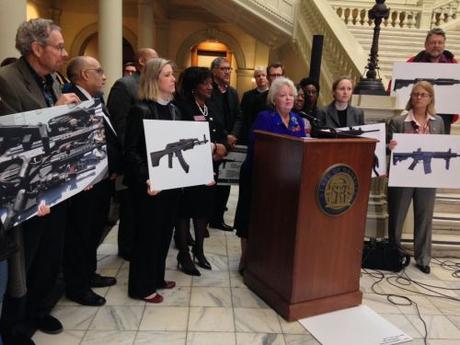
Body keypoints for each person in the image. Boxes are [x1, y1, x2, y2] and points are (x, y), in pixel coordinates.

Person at [0, 18, 79, 345]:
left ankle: (39, 310)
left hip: (55, 187)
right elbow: (10, 140)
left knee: (50, 254)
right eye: (58, 47)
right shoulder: (7, 81)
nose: (64, 53)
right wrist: (57, 114)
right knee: (24, 260)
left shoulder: (55, 82)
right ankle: (15, 327)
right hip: (25, 191)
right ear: (36, 48)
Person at [62, 56, 122, 306]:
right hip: (84, 183)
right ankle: (77, 286)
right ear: (85, 75)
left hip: (101, 179)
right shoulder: (71, 99)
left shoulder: (95, 99)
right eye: (99, 71)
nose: (104, 76)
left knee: (94, 229)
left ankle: (88, 274)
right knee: (81, 233)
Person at [234, 77, 305, 274]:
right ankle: (246, 257)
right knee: (250, 217)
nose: (289, 99)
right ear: (274, 99)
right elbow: (255, 144)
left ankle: (269, 257)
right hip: (258, 176)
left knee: (276, 219)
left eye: (291, 95)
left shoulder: (298, 120)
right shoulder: (264, 117)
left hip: (285, 180)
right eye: (283, 95)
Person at [124, 58, 180, 303]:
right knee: (147, 236)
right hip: (149, 186)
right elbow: (131, 150)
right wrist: (146, 178)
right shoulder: (141, 109)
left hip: (170, 183)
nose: (173, 78)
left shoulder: (174, 108)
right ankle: (140, 287)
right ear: (154, 79)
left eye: (172, 74)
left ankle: (156, 277)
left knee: (164, 233)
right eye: (168, 75)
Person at [387, 81, 445, 274]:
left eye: (423, 95)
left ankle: (423, 258)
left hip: (427, 177)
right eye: (415, 94)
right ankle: (394, 254)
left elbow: (442, 147)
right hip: (402, 176)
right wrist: (390, 147)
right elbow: (385, 149)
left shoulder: (438, 122)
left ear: (430, 98)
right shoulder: (398, 122)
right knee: (397, 216)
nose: (418, 98)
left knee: (424, 217)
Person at [174, 66, 227, 276]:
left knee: (204, 207)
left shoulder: (211, 106)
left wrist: (222, 145)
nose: (210, 86)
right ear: (194, 86)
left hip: (210, 167)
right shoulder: (182, 107)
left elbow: (221, 130)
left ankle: (199, 250)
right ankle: (184, 253)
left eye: (210, 82)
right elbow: (183, 139)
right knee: (185, 209)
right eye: (205, 83)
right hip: (188, 168)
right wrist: (213, 147)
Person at [107, 48, 158, 261]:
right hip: (132, 155)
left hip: (151, 156)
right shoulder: (125, 85)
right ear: (142, 62)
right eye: (154, 61)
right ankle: (127, 249)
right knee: (129, 207)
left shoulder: (153, 87)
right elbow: (120, 125)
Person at [209, 57, 243, 231]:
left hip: (230, 144)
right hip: (214, 145)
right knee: (210, 184)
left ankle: (217, 219)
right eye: (223, 69)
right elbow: (211, 119)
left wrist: (233, 135)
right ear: (214, 71)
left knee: (224, 184)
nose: (228, 72)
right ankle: (204, 220)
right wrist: (224, 137)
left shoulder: (232, 92)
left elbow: (239, 116)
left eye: (229, 69)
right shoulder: (208, 91)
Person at [406, 28, 458, 134]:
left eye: (440, 43)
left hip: (444, 114)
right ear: (426, 45)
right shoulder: (413, 62)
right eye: (433, 43)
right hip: (417, 111)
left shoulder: (453, 63)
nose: (436, 45)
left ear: (444, 45)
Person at [239, 67, 269, 144]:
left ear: (267, 77)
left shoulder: (272, 95)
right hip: (250, 131)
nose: (261, 78)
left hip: (267, 132)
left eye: (263, 75)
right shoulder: (247, 95)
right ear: (255, 78)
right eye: (258, 76)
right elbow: (243, 115)